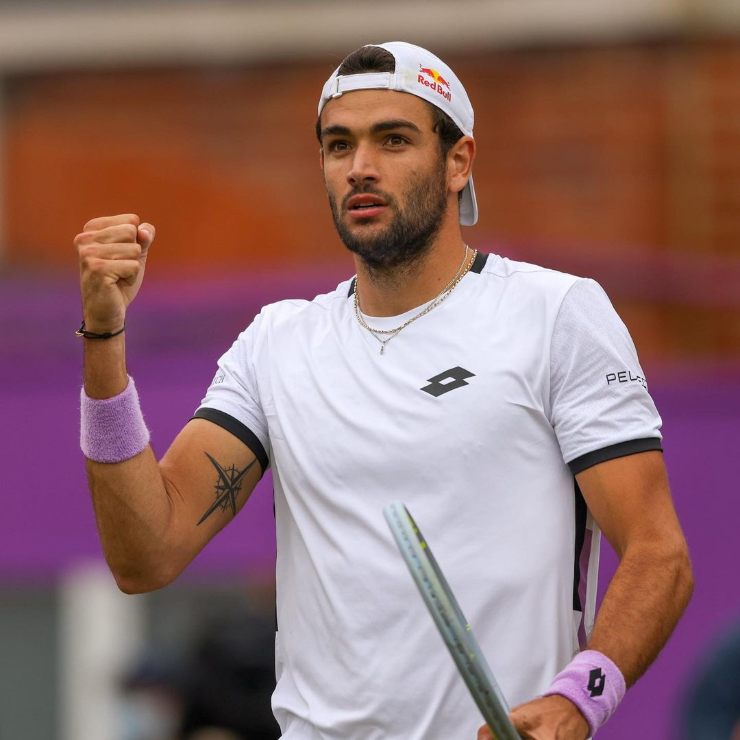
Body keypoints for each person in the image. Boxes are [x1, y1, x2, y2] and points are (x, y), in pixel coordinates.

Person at [75, 41, 693, 739]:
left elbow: (658, 552)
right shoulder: (277, 342)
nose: (360, 167)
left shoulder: (556, 314)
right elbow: (144, 554)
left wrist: (581, 697)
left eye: (392, 140)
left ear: (458, 161)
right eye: (339, 146)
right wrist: (105, 343)